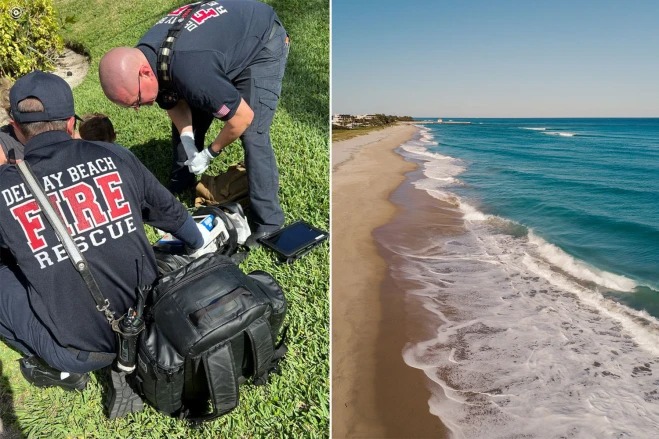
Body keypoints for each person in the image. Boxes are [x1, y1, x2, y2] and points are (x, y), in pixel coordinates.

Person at [0, 71, 211, 390]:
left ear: (15, 128)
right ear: (71, 122)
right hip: (150, 319)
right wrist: (198, 243)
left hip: (80, 353)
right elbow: (171, 214)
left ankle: (59, 368)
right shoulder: (116, 155)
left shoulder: (3, 188)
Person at [98, 0, 289, 244]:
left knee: (253, 133)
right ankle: (182, 180)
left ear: (145, 73)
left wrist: (210, 152)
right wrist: (189, 143)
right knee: (194, 108)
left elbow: (243, 118)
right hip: (210, 53)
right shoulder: (146, 54)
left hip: (262, 41)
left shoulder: (192, 71)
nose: (138, 108)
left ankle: (269, 223)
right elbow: (172, 99)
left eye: (136, 101)